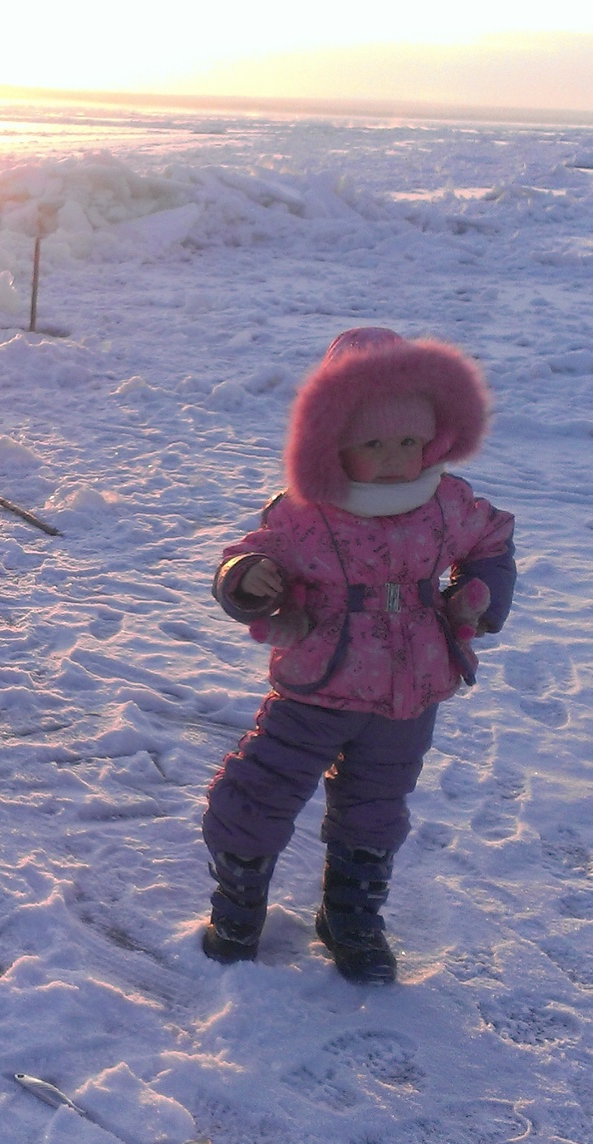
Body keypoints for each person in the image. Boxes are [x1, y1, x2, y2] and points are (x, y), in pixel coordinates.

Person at [201, 327, 516, 985]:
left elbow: (492, 536)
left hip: (410, 691)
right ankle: (237, 906)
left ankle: (351, 916)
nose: (398, 458)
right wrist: (250, 576)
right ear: (333, 442)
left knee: (376, 807)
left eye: (410, 441)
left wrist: (481, 595)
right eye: (373, 443)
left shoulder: (445, 501)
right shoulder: (309, 512)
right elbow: (250, 551)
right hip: (318, 684)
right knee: (256, 792)